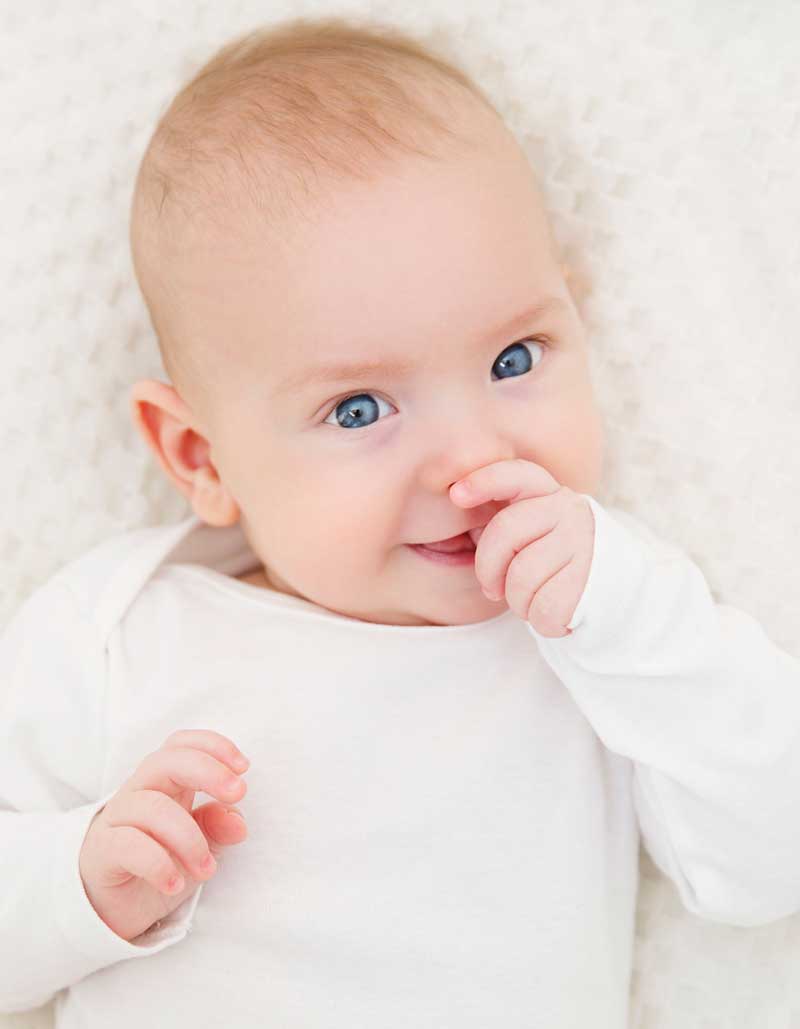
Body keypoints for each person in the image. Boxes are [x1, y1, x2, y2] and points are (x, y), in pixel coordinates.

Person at [2, 15, 799, 1028]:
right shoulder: (117, 632)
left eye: (514, 358)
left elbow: (768, 861)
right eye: (359, 410)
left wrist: (634, 620)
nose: (471, 458)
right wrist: (75, 887)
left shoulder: (599, 631)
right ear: (199, 457)